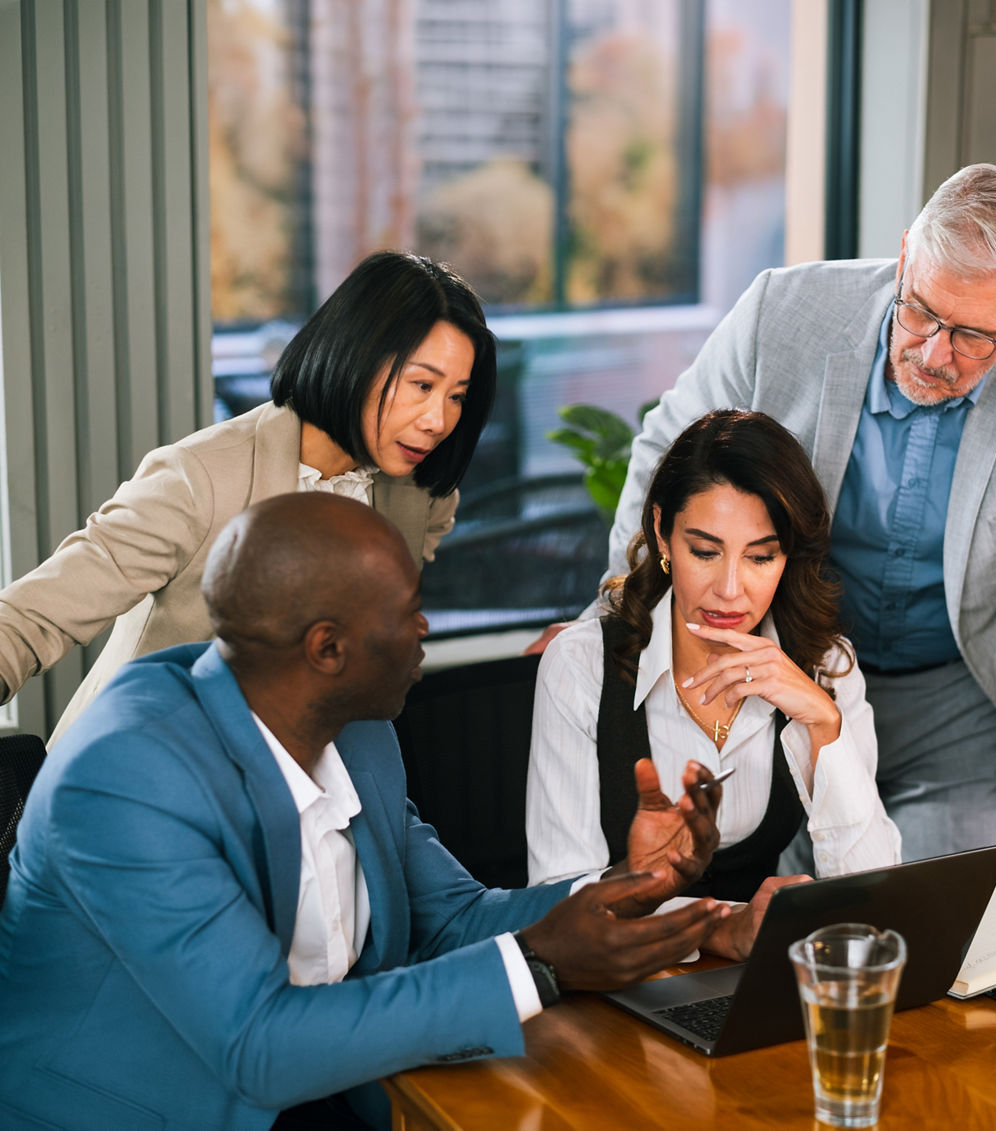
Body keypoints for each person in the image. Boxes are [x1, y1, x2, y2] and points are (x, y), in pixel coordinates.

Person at [534, 163, 996, 912]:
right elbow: (664, 458)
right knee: (791, 923)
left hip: (959, 702)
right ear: (905, 259)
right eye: (922, 312)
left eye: (972, 336)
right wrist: (619, 623)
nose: (935, 353)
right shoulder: (785, 308)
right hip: (804, 667)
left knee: (937, 928)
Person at [0, 492, 730, 1131]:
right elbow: (259, 1045)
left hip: (332, 1094)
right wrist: (539, 960)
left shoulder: (358, 729)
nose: (425, 629)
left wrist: (631, 886)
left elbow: (450, 917)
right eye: (409, 610)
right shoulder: (125, 774)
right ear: (328, 648)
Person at [0, 250, 495, 744]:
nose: (439, 421)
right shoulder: (201, 478)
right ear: (355, 357)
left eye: (457, 396)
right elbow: (33, 617)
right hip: (150, 764)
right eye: (422, 385)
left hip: (306, 773)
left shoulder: (419, 493)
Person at [526, 411, 901, 959]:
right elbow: (555, 898)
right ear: (662, 532)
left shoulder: (825, 666)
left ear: (787, 555)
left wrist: (823, 725)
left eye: (760, 556)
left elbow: (873, 897)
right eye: (704, 551)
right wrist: (719, 928)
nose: (729, 590)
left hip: (751, 986)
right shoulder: (580, 665)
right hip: (611, 983)